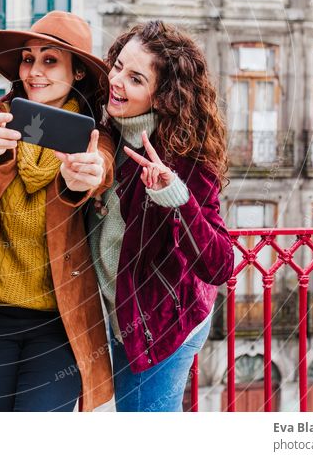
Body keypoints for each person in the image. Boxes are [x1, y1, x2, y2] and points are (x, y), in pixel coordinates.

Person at [0, 11, 114, 412]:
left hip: (59, 324)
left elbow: (102, 166)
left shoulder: (94, 134)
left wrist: (84, 179)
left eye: (50, 60)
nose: (34, 71)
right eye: (28, 59)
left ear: (77, 73)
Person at [87, 20, 234, 412]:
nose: (116, 81)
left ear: (162, 96)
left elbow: (220, 263)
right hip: (122, 318)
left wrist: (176, 197)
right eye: (117, 66)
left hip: (164, 325)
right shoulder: (108, 132)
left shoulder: (184, 157)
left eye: (135, 79)